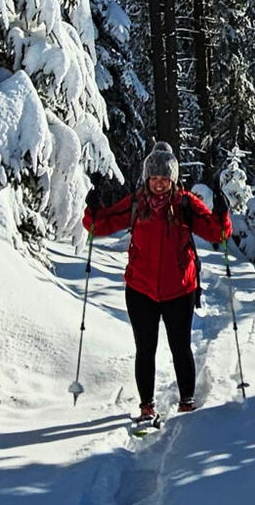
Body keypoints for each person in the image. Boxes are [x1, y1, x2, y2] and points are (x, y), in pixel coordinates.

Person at [84, 141, 231, 421]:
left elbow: (217, 234)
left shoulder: (186, 204)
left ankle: (186, 402)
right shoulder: (137, 204)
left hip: (179, 290)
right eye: (155, 178)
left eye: (165, 178)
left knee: (180, 347)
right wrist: (93, 208)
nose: (160, 184)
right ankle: (146, 406)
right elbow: (99, 226)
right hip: (141, 290)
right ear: (147, 178)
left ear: (173, 179)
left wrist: (222, 213)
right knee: (145, 349)